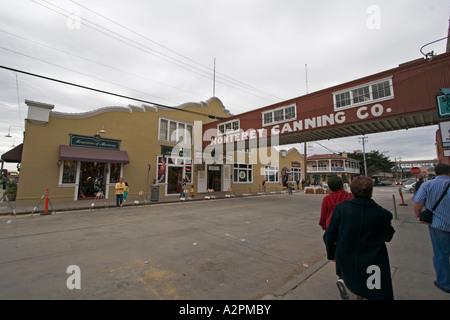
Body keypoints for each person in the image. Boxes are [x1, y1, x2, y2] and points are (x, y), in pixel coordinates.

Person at [324, 175, 395, 300]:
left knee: (353, 286)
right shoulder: (383, 214)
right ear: (371, 191)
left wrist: (332, 254)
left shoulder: (342, 208)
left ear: (352, 190)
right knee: (374, 292)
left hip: (346, 256)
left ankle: (345, 282)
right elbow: (388, 236)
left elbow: (329, 235)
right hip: (373, 262)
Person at [412, 163, 450, 294]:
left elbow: (418, 203)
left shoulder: (428, 185)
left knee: (441, 254)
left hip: (438, 225)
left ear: (436, 173)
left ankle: (444, 282)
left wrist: (418, 216)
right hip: (439, 225)